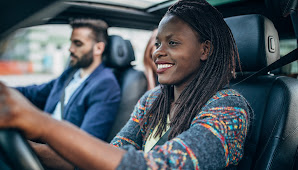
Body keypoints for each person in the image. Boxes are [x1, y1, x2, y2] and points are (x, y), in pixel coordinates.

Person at [0, 0, 252, 169]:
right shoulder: (153, 100)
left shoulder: (229, 109)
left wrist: (45, 126)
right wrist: (28, 145)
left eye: (172, 43)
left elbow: (160, 165)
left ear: (204, 49)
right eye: (157, 44)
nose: (157, 53)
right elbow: (107, 154)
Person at [15, 18, 121, 140]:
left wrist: (31, 146)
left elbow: (86, 144)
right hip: (39, 140)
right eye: (71, 43)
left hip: (57, 152)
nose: (70, 49)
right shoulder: (70, 73)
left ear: (98, 48)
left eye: (78, 44)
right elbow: (34, 93)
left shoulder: (105, 84)